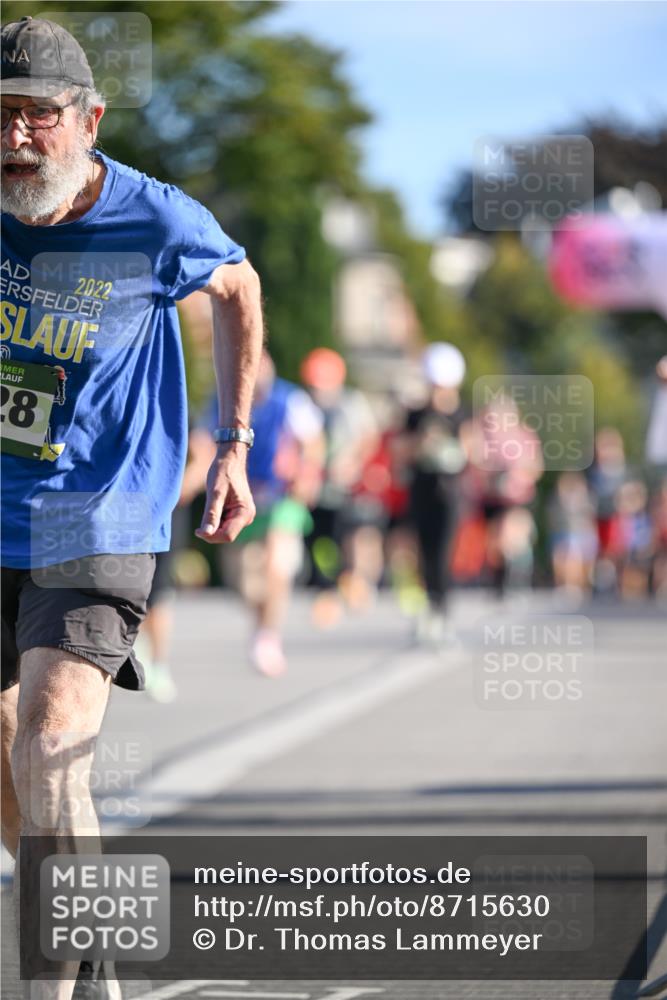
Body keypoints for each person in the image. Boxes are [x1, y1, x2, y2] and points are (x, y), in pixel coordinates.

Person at [0, 16, 263, 999]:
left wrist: (233, 443)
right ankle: (97, 952)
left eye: (38, 117)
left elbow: (238, 287)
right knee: (20, 788)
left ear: (89, 118)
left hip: (99, 505)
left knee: (51, 740)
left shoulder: (155, 219)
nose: (16, 138)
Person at [211, 349, 324, 676]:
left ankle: (268, 636)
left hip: (282, 495)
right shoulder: (223, 401)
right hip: (243, 493)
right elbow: (204, 437)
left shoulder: (290, 400)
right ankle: (261, 624)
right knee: (244, 582)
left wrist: (307, 473)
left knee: (276, 566)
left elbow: (314, 442)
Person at [300, 347, 379, 626]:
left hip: (345, 485)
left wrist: (353, 463)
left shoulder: (351, 403)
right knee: (318, 539)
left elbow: (369, 437)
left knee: (348, 535)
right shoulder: (304, 404)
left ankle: (350, 581)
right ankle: (326, 589)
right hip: (315, 486)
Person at [402, 343, 469, 643]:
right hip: (421, 490)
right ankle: (428, 608)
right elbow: (398, 449)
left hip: (451, 492)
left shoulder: (462, 414)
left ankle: (443, 611)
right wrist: (421, 442)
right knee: (422, 553)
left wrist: (453, 448)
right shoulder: (416, 414)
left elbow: (473, 450)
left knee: (443, 552)